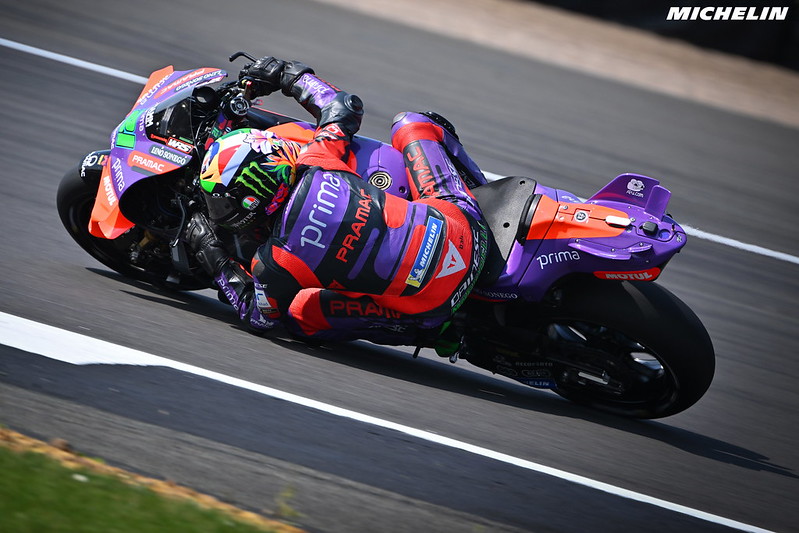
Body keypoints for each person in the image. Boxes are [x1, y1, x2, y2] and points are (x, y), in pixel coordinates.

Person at [183, 56, 489, 354]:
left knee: (300, 315)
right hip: (470, 231)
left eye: (223, 203)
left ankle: (427, 331)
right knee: (413, 124)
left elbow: (257, 316)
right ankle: (486, 195)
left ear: (255, 193)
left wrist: (212, 253)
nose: (219, 211)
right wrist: (286, 74)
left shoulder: (276, 262)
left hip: (433, 304)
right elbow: (341, 107)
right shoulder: (317, 161)